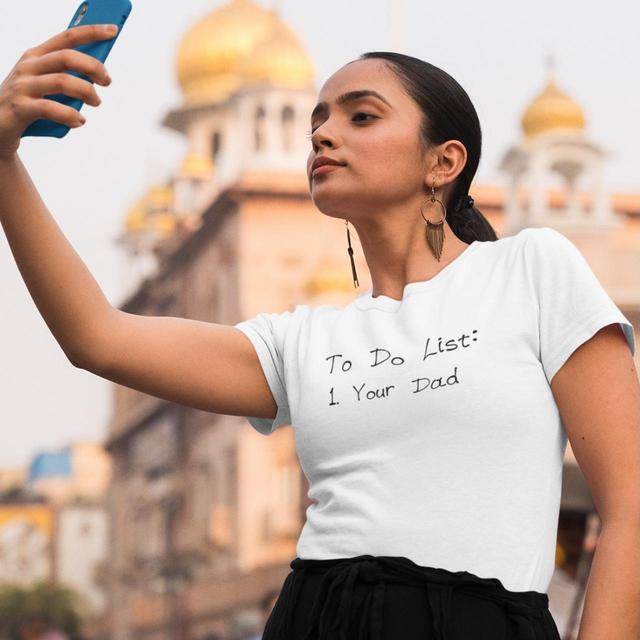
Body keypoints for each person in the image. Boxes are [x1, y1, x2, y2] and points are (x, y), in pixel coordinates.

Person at [1, 23, 638, 640]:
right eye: (318, 122)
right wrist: (3, 159)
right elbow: (96, 337)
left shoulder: (531, 271)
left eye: (361, 116)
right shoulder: (301, 341)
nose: (324, 135)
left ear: (443, 162)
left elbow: (630, 506)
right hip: (313, 614)